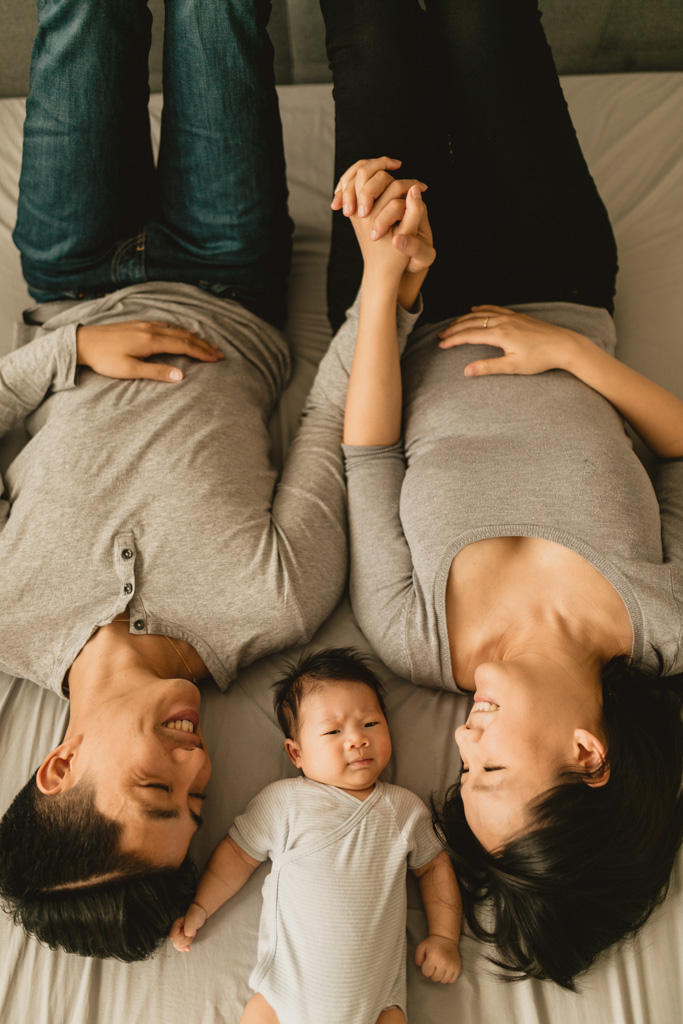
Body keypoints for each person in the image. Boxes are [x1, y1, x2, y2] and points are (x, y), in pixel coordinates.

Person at [313, 0, 683, 990]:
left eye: (459, 769)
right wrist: (567, 352)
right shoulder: (662, 621)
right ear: (587, 754)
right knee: (483, 22)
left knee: (372, 36)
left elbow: (368, 453)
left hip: (400, 307)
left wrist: (383, 281)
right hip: (555, 278)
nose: (460, 741)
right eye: (491, 768)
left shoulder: (413, 639)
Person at [0, 0, 351, 961]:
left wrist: (73, 349)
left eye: (159, 787)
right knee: (219, 12)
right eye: (198, 803)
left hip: (70, 281)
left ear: (59, 765)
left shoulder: (7, 608)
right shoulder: (272, 606)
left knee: (83, 15)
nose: (197, 764)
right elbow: (333, 418)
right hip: (229, 276)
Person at [169, 648, 462, 1024]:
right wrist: (200, 907)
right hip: (283, 997)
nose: (357, 739)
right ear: (296, 753)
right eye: (334, 731)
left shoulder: (404, 809)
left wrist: (444, 937)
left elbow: (434, 867)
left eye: (370, 723)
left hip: (377, 1004)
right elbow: (236, 857)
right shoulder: (284, 802)